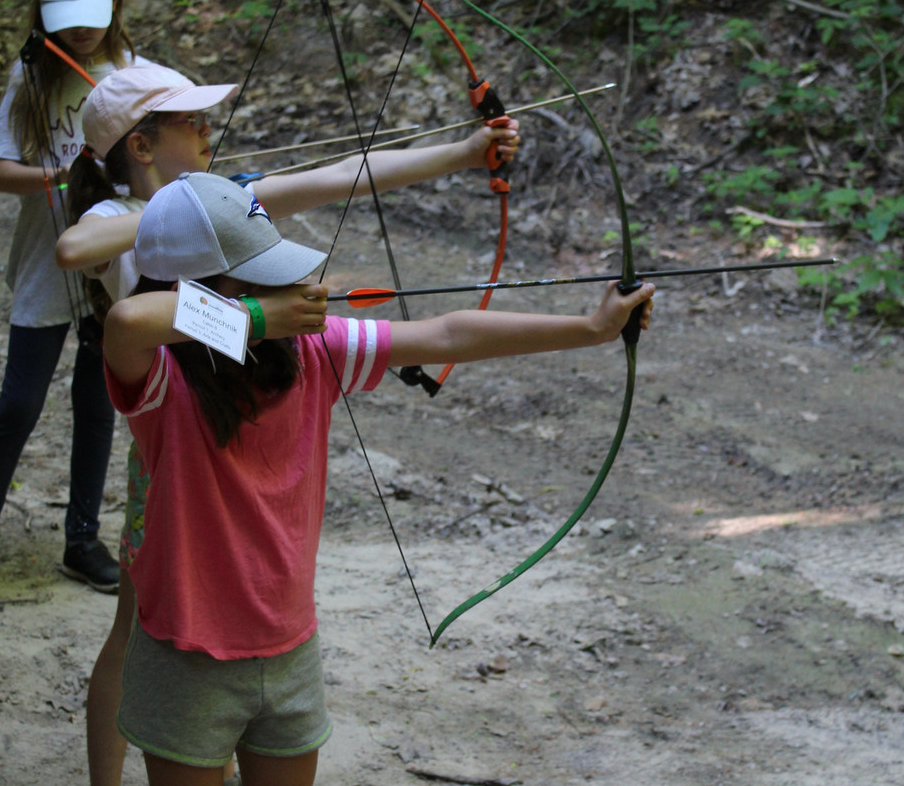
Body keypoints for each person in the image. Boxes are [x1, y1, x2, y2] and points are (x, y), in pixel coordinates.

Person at [102, 171, 654, 786]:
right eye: (262, 277)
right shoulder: (162, 380)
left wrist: (590, 329)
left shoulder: (313, 352)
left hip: (289, 647)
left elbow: (446, 334)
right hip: (186, 653)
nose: (289, 286)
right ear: (211, 290)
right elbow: (127, 319)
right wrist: (257, 318)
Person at [54, 63, 523, 786]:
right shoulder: (114, 216)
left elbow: (344, 175)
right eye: (191, 123)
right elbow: (77, 254)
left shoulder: (222, 201)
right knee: (142, 626)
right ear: (141, 147)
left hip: (243, 407)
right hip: (172, 423)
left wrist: (463, 154)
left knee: (190, 612)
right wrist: (205, 230)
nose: (209, 132)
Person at [0, 0, 146, 608]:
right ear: (44, 16)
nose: (81, 31)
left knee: (97, 401)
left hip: (109, 262)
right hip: (45, 266)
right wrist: (59, 174)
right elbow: (0, 172)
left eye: (92, 17)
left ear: (115, 6)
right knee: (19, 404)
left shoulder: (134, 74)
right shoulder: (34, 78)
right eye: (67, 19)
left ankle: (82, 540)